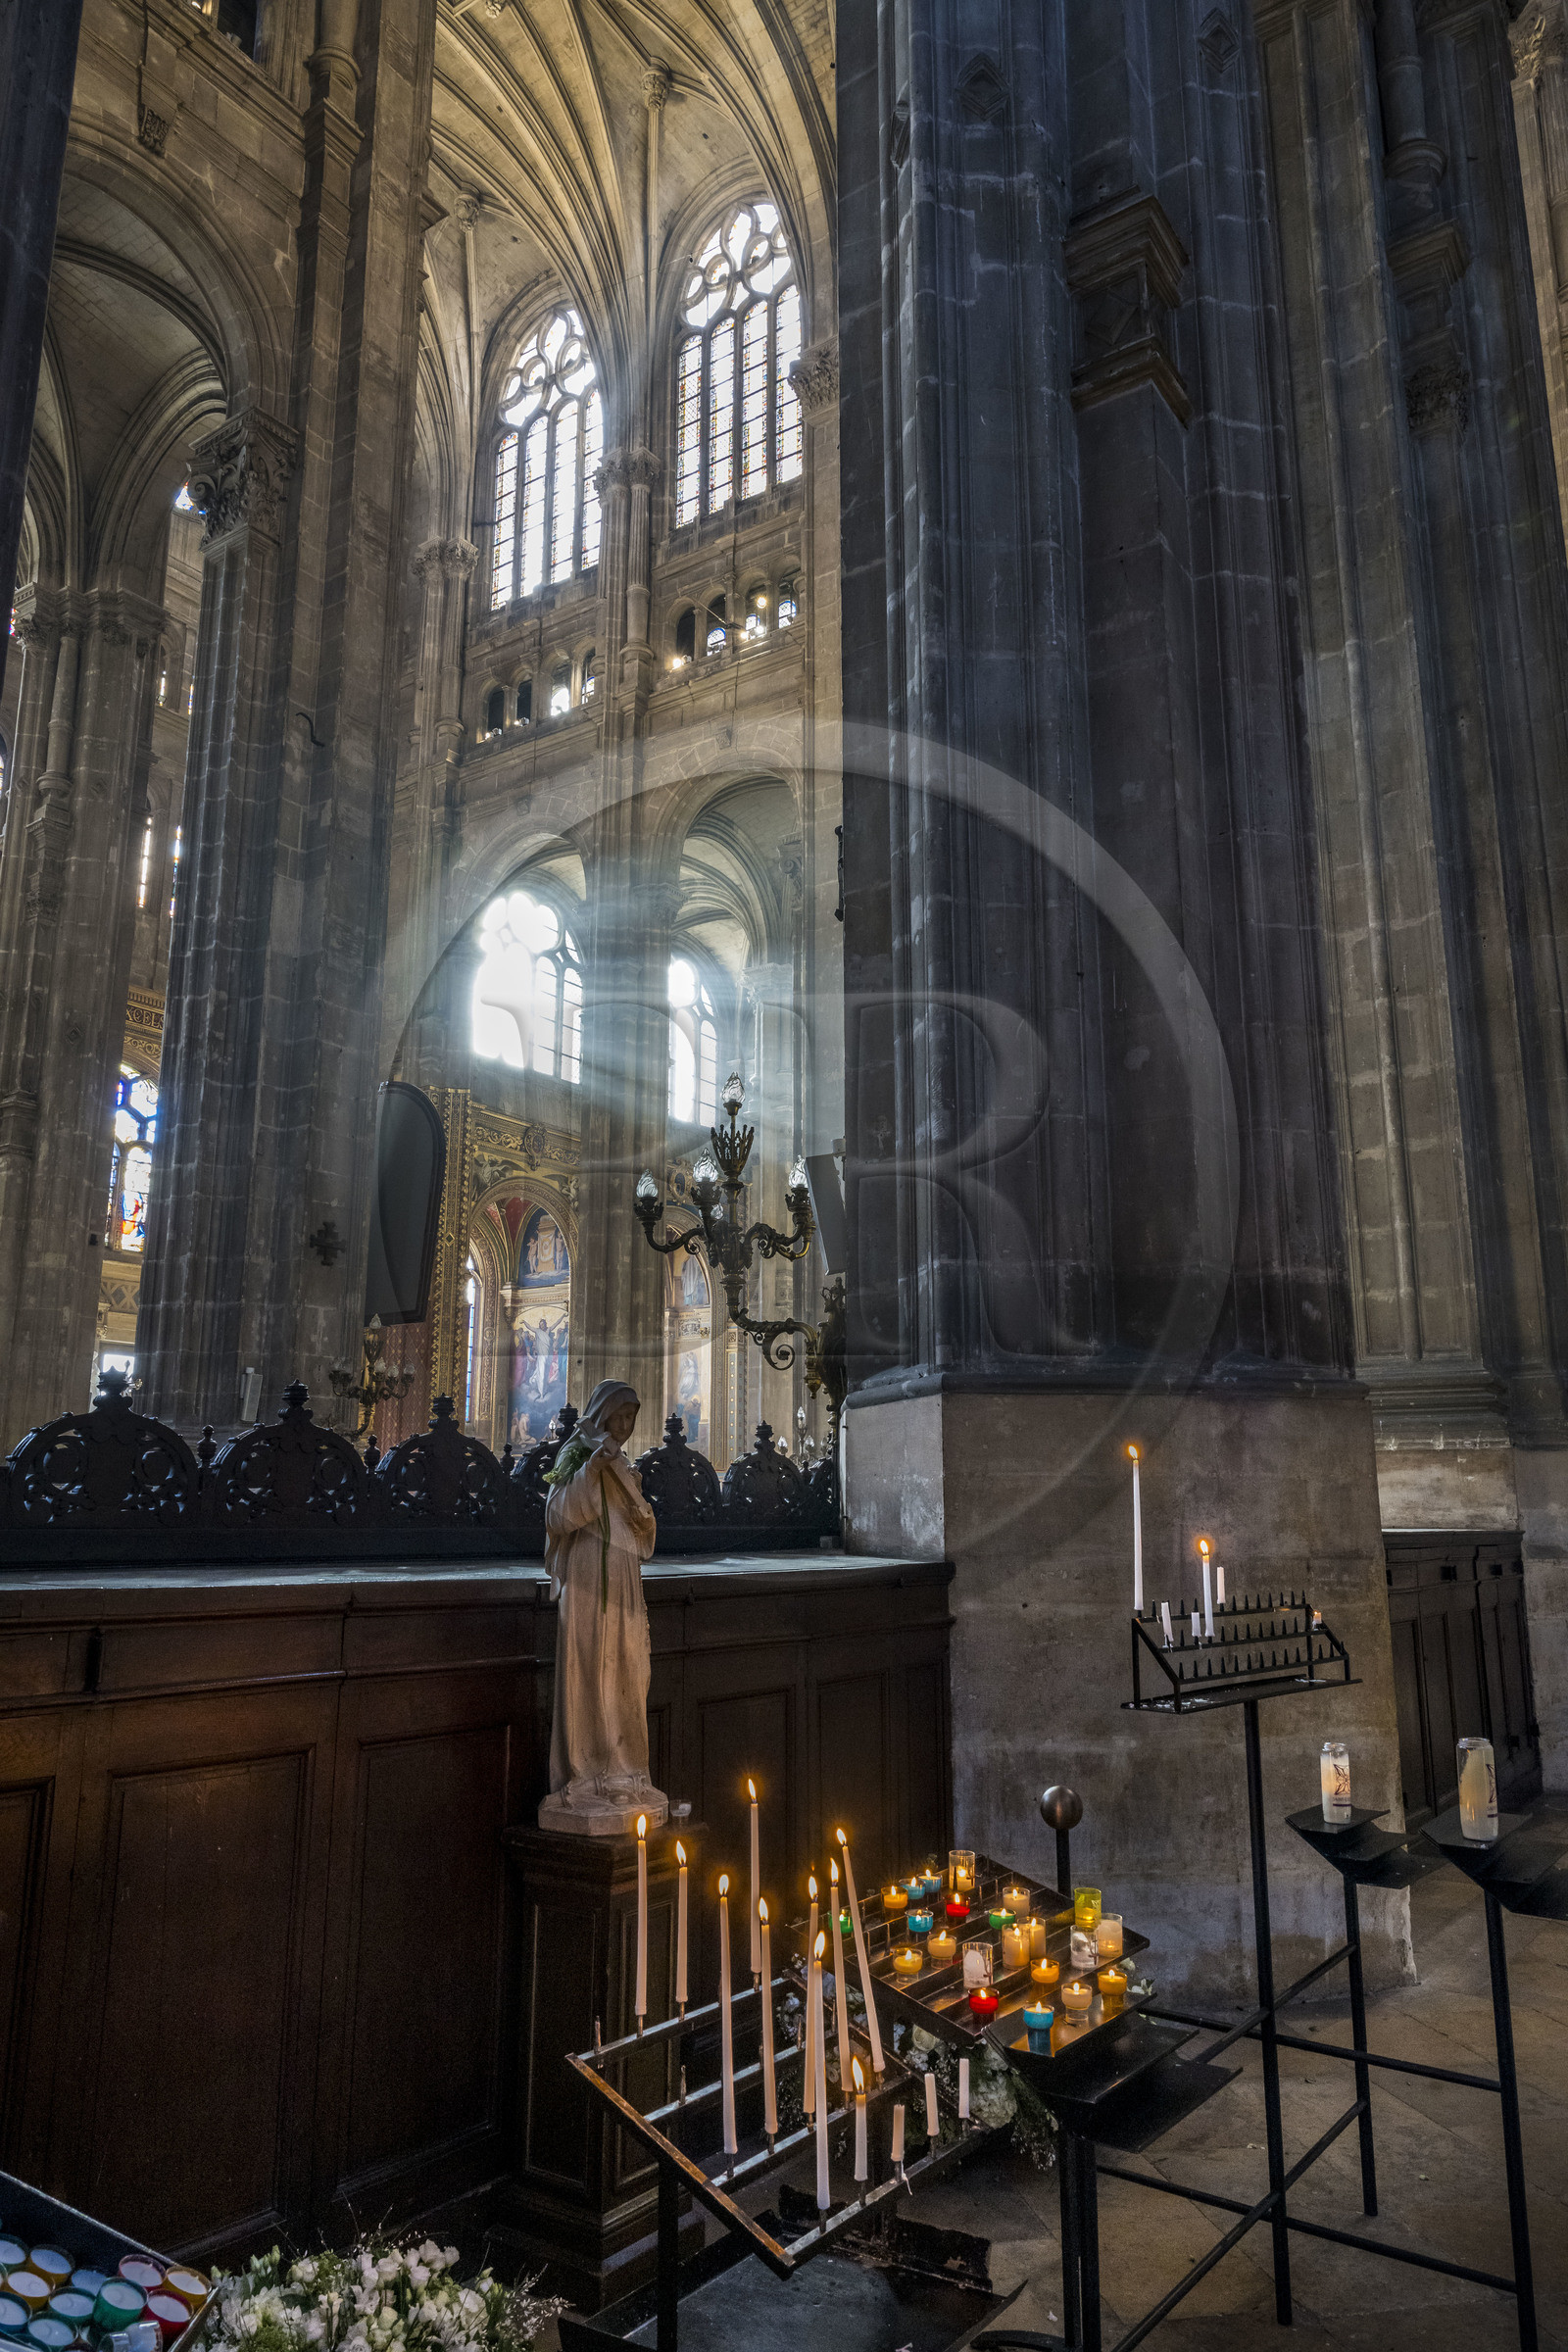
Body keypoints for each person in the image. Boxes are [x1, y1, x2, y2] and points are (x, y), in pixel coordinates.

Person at [540, 1379, 666, 1831]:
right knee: (591, 1668)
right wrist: (591, 1471)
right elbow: (557, 1516)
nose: (626, 1425)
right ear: (602, 1414)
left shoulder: (625, 1465)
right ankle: (589, 1774)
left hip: (624, 1577)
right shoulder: (576, 1454)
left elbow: (642, 1531)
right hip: (588, 1579)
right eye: (620, 1416)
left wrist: (642, 1516)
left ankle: (628, 1772)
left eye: (632, 1417)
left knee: (628, 1668)